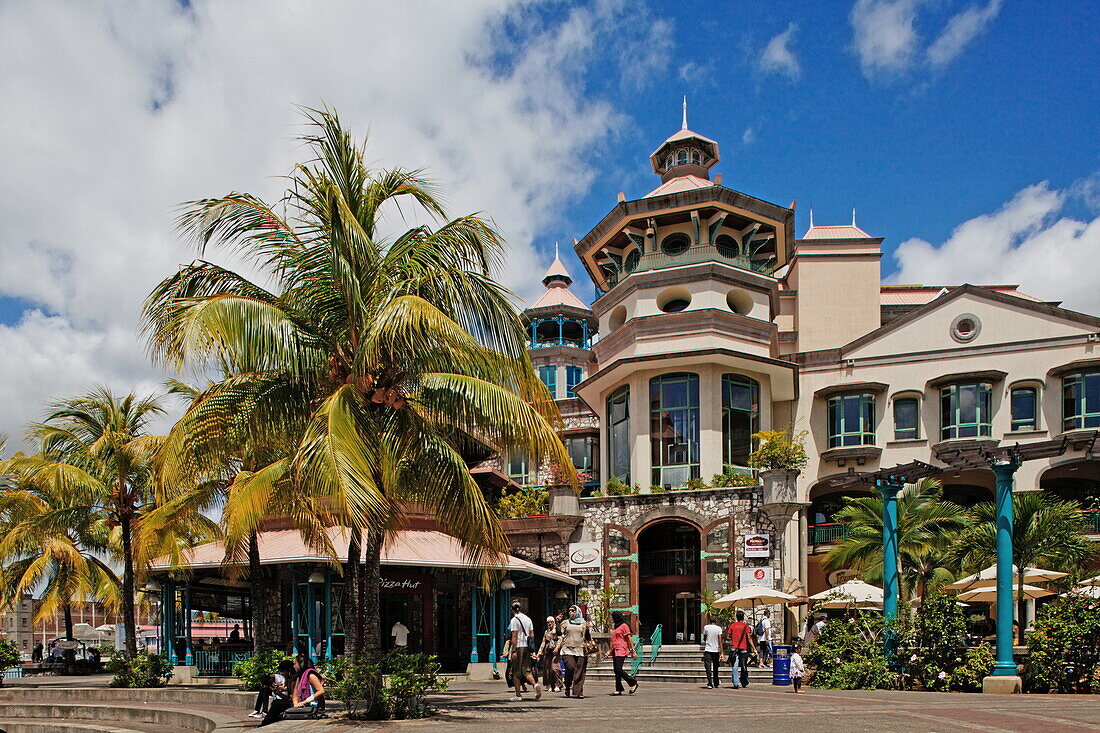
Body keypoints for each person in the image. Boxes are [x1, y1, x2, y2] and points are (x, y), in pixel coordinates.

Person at [507, 601, 542, 702]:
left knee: (515, 672)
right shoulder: (528, 619)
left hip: (518, 647)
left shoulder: (514, 620)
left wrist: (513, 651)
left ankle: (518, 695)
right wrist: (532, 650)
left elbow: (514, 636)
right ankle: (535, 685)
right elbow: (532, 635)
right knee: (527, 670)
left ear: (512, 609)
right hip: (527, 647)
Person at [556, 604, 589, 699]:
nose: (571, 612)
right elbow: (559, 633)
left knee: (579, 671)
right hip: (568, 649)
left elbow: (587, 637)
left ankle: (578, 691)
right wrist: (557, 622)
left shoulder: (583, 623)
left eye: (573, 611)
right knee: (571, 667)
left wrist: (587, 630)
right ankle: (567, 685)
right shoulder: (566, 622)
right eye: (570, 611)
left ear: (577, 612)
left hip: (580, 649)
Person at [258, 660, 298, 726]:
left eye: (283, 671)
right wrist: (278, 693)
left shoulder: (293, 680)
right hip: (290, 701)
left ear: (289, 670)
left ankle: (265, 723)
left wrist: (279, 693)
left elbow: (292, 698)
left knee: (276, 704)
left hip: (295, 703)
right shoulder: (288, 680)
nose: (281, 674)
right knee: (276, 703)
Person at [608, 611, 638, 696]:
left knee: (618, 669)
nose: (612, 619)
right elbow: (615, 640)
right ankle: (618, 689)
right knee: (616, 670)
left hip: (622, 649)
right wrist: (610, 651)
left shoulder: (624, 625)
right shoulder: (616, 626)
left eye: (612, 617)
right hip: (615, 650)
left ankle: (632, 682)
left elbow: (629, 638)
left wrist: (633, 651)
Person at [726, 610, 757, 689]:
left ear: (736, 617)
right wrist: (754, 648)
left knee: (734, 666)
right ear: (743, 617)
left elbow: (728, 637)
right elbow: (749, 637)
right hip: (743, 647)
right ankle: (744, 681)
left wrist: (733, 637)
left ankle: (736, 683)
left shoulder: (732, 626)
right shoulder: (745, 626)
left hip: (734, 648)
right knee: (744, 665)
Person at [536, 615, 561, 693]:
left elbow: (560, 640)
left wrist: (557, 647)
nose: (549, 624)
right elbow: (543, 642)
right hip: (548, 651)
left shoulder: (557, 630)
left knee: (555, 668)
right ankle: (549, 684)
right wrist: (539, 653)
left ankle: (558, 684)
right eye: (548, 622)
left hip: (555, 651)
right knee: (547, 669)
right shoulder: (546, 632)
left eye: (551, 622)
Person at [701, 615, 724, 688]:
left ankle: (709, 682)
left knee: (708, 667)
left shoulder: (706, 627)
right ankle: (716, 682)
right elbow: (720, 641)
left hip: (708, 649)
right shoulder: (718, 628)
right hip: (715, 650)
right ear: (716, 621)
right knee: (715, 667)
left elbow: (704, 637)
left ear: (709, 621)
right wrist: (722, 652)